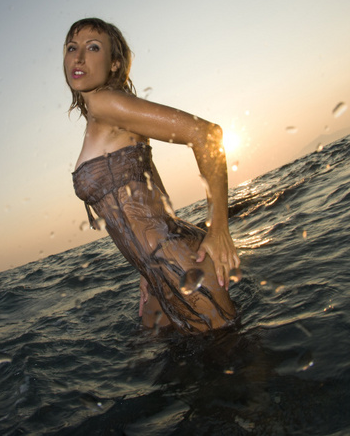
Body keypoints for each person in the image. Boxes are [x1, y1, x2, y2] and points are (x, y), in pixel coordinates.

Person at [66, 18, 239, 334]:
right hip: (161, 269)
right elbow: (151, 192)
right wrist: (147, 273)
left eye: (93, 48)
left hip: (182, 265)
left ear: (114, 63)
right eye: (71, 48)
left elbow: (206, 134)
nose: (78, 58)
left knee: (242, 366)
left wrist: (219, 229)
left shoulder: (108, 103)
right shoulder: (104, 119)